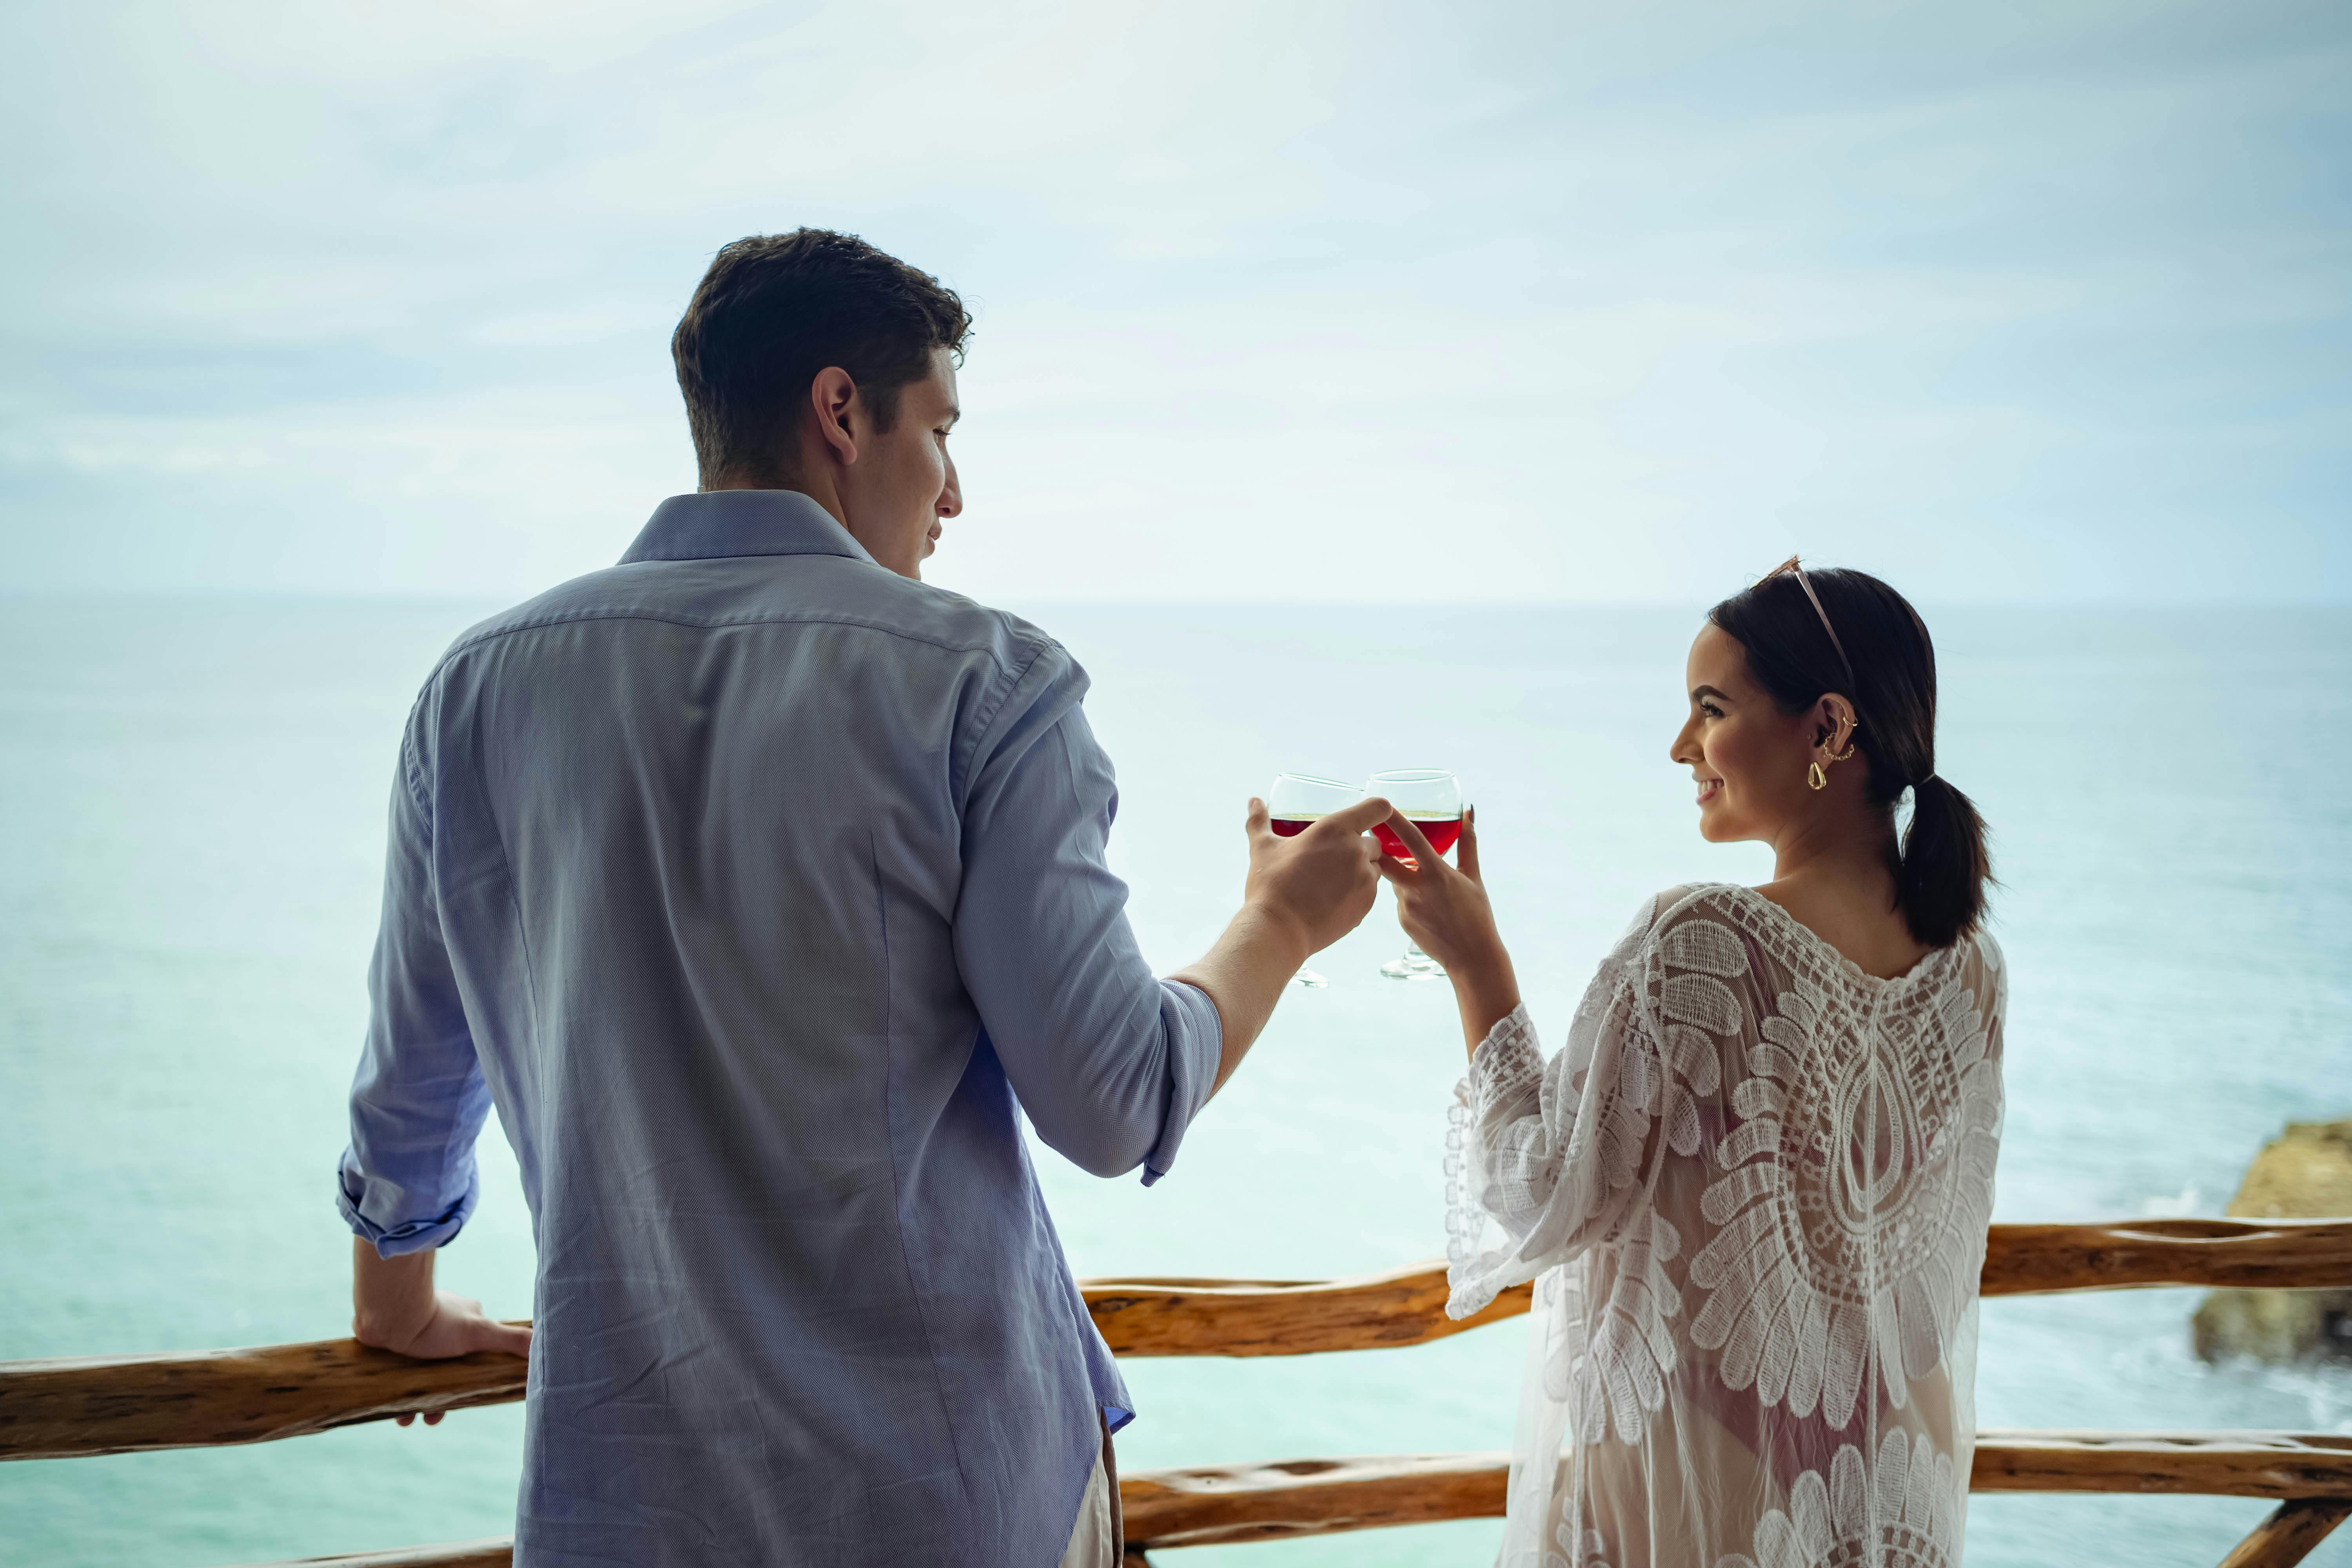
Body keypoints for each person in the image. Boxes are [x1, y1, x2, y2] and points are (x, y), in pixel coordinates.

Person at [332, 228, 1389, 1568]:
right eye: (941, 432)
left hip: (627, 1510)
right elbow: (1114, 1102)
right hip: (937, 1502)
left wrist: (398, 1300)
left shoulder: (477, 691)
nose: (954, 495)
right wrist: (1281, 924)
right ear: (843, 411)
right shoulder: (982, 683)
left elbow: (417, 1078)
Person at [1377, 561, 2004, 1568]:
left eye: (1710, 709)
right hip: (1885, 1507)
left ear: (1830, 729)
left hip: (1707, 1518)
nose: (1682, 747)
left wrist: (1473, 961)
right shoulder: (1972, 970)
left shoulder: (1705, 939)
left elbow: (1542, 1192)